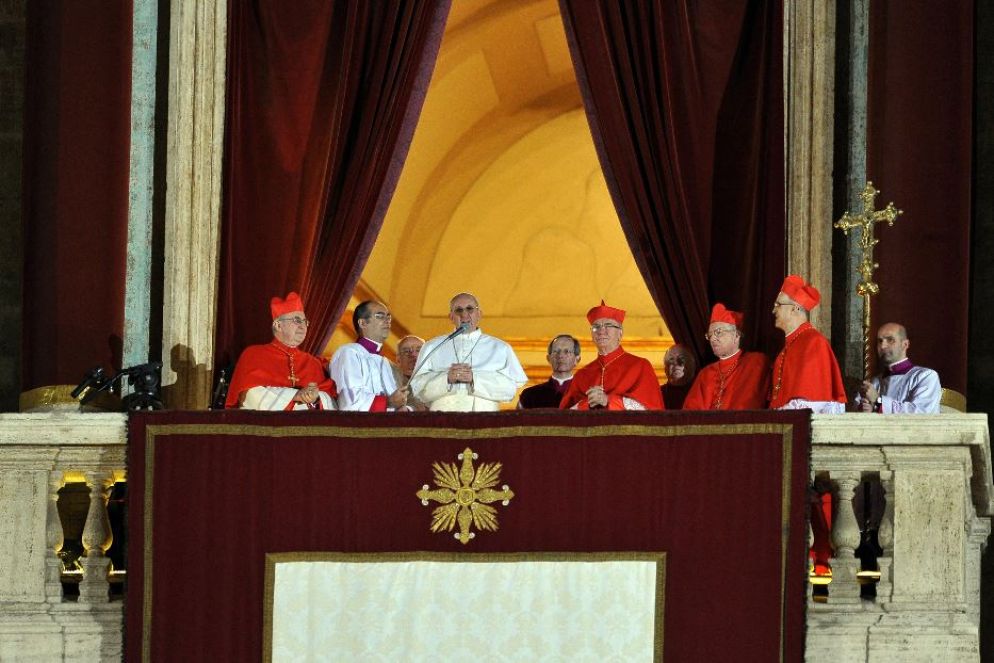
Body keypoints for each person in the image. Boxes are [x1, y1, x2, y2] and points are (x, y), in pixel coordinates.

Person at [408, 293, 527, 411]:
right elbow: (418, 389)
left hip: (485, 418)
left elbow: (509, 391)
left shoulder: (500, 348)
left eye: (470, 309)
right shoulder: (432, 346)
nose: (464, 315)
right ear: (451, 317)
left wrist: (474, 379)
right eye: (458, 310)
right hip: (442, 419)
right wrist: (446, 379)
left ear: (479, 314)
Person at [225, 291, 336, 410]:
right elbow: (249, 396)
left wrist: (316, 397)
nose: (303, 326)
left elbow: (330, 399)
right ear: (278, 325)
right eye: (297, 320)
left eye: (305, 322)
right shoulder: (253, 354)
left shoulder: (313, 363)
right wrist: (295, 396)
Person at [560, 301, 664, 410]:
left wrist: (608, 400)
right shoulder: (581, 375)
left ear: (620, 333)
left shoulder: (640, 366)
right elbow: (565, 415)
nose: (601, 331)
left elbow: (650, 410)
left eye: (608, 325)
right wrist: (588, 403)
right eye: (596, 327)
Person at [769, 275, 847, 413]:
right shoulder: (789, 345)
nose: (773, 310)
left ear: (795, 308)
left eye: (778, 305)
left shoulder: (814, 342)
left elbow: (812, 401)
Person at [683, 303, 770, 410]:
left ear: (736, 335)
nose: (713, 338)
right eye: (710, 335)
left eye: (718, 332)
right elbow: (690, 412)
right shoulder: (705, 374)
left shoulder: (755, 362)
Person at [329, 301, 410, 411]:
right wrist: (388, 402)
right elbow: (349, 402)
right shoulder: (349, 352)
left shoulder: (388, 364)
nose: (387, 321)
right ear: (362, 323)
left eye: (388, 317)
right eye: (380, 316)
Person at [853, 322, 941, 413]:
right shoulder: (873, 382)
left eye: (890, 340)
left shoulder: (925, 377)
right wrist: (863, 409)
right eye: (880, 341)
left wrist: (877, 401)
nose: (883, 346)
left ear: (905, 344)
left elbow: (921, 414)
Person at [517, 335, 580, 409]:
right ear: (549, 358)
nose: (561, 356)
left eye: (567, 352)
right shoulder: (529, 395)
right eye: (556, 351)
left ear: (577, 359)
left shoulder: (588, 396)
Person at [393, 335, 428, 411]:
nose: (413, 355)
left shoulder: (436, 380)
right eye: (406, 351)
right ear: (398, 360)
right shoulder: (392, 383)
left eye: (419, 350)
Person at [660, 344, 697, 409]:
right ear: (665, 369)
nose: (676, 363)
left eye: (681, 359)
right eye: (671, 359)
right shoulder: (657, 394)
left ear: (691, 366)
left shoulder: (701, 393)